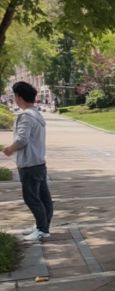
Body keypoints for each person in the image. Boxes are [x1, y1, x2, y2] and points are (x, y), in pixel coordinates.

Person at [2, 81, 53, 241]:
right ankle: (42, 225)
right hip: (39, 162)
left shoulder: (25, 116)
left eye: (14, 96)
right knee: (43, 197)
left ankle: (42, 229)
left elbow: (22, 139)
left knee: (31, 198)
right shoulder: (36, 114)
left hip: (29, 163)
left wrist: (10, 148)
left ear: (19, 97)